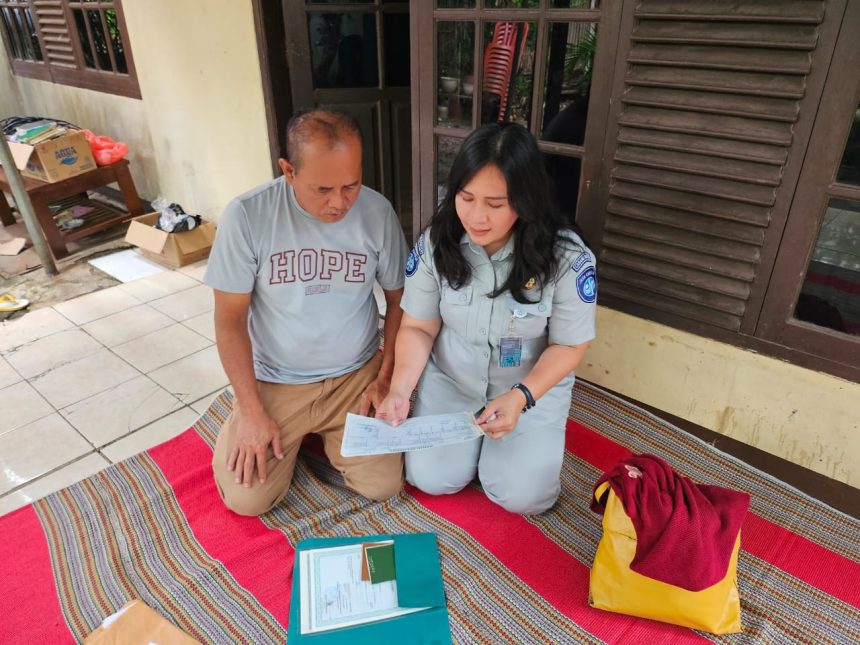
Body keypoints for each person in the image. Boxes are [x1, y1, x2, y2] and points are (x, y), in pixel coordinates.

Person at [375, 122, 597, 515]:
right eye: (466, 198)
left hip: (525, 387)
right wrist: (400, 389)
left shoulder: (565, 257)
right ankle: (475, 450)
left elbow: (569, 345)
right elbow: (418, 326)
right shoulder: (437, 242)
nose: (477, 217)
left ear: (525, 200)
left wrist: (522, 396)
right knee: (431, 478)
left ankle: (504, 452)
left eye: (495, 205)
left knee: (524, 497)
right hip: (453, 380)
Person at [204, 109, 409, 516]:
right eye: (323, 189)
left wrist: (386, 377)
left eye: (351, 185)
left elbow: (399, 300)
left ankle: (321, 434)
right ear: (288, 171)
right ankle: (259, 422)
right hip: (278, 380)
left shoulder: (377, 212)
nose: (340, 203)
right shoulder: (248, 216)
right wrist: (252, 411)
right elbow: (229, 322)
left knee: (383, 485)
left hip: (355, 377)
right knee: (247, 500)